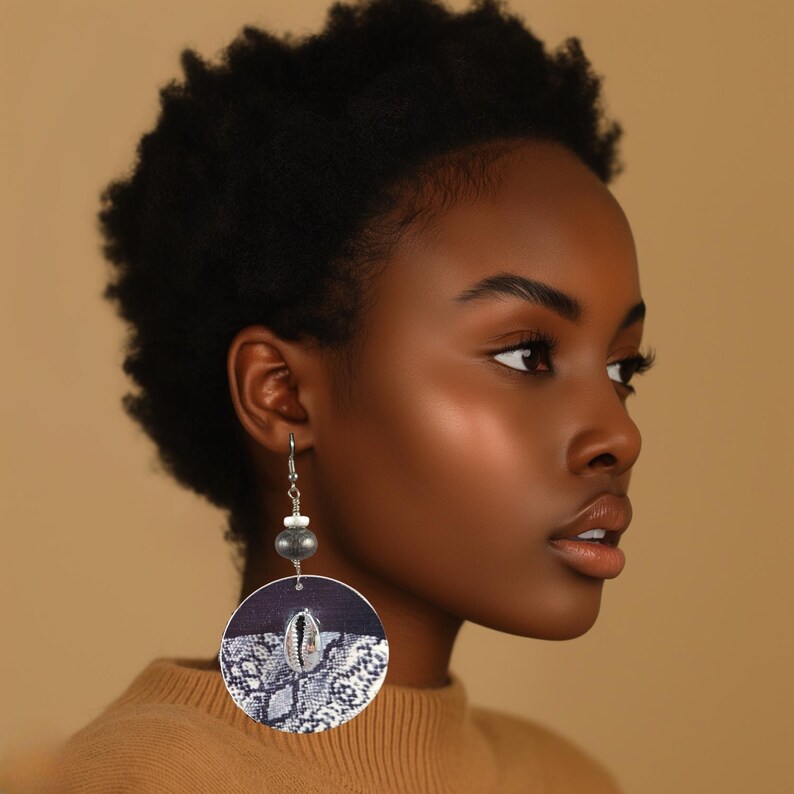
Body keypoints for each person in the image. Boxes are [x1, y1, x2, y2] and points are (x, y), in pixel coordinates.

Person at [4, 0, 656, 790]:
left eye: (623, 367)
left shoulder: (567, 779)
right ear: (281, 395)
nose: (619, 435)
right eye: (528, 353)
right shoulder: (149, 780)